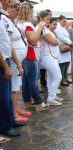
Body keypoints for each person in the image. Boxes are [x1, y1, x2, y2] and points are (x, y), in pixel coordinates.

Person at [17, 2, 49, 111]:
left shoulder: (18, 23)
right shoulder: (27, 25)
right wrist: (40, 27)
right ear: (29, 11)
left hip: (25, 54)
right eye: (31, 11)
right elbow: (33, 40)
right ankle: (38, 102)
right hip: (30, 54)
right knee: (33, 79)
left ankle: (27, 100)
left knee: (26, 79)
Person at [0, 2, 25, 137]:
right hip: (2, 61)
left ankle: (10, 120)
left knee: (7, 95)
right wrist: (5, 66)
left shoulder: (4, 20)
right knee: (3, 97)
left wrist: (15, 63)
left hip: (6, 59)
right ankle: (5, 126)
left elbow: (7, 44)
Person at [39, 14, 62, 106]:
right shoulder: (43, 30)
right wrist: (56, 41)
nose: (49, 21)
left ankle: (52, 95)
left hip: (52, 56)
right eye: (47, 19)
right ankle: (51, 98)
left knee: (51, 78)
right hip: (48, 56)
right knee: (58, 77)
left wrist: (56, 41)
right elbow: (54, 42)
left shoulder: (49, 31)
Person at [54, 15, 73, 86]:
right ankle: (62, 79)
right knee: (62, 64)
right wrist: (70, 43)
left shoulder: (63, 28)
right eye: (63, 21)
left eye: (66, 21)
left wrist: (70, 43)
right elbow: (61, 37)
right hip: (61, 46)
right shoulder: (58, 27)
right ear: (59, 20)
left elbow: (66, 37)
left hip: (66, 46)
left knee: (66, 64)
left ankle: (65, 77)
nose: (65, 23)